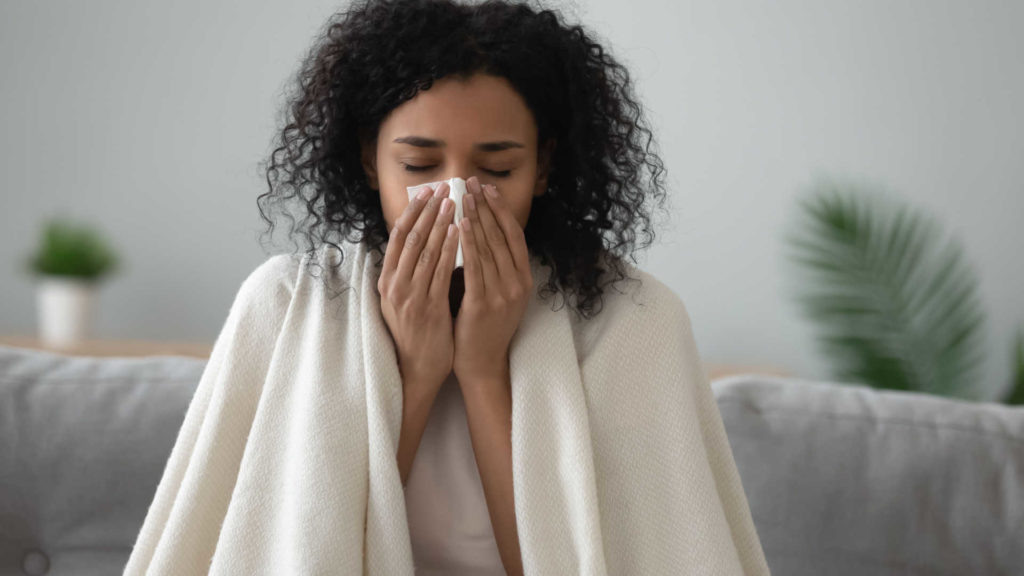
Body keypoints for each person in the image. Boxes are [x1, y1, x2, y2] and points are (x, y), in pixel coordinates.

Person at [125, 0, 771, 574]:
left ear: (543, 166)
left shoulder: (635, 320)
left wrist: (485, 372)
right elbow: (303, 553)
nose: (459, 200)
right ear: (367, 160)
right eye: (419, 165)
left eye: (496, 167)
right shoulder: (285, 307)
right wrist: (414, 372)